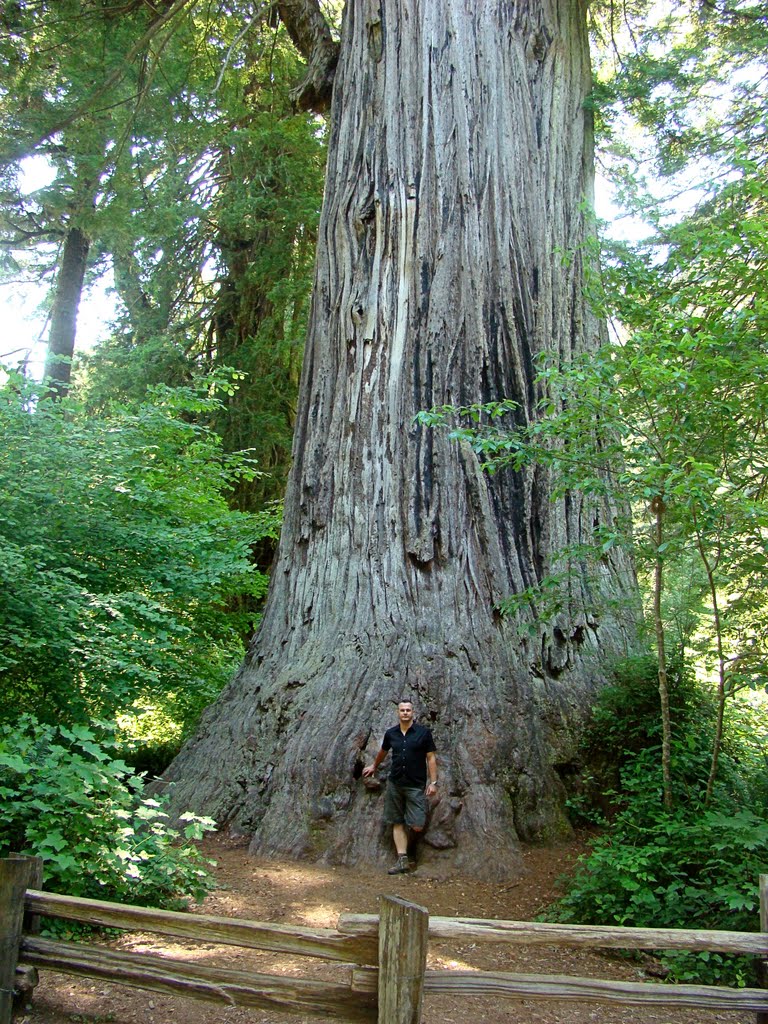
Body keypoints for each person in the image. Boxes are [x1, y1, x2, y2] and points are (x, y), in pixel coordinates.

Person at [362, 699, 438, 874]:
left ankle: (411, 829)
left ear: (413, 713)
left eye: (408, 710)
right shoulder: (391, 734)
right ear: (398, 713)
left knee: (417, 824)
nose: (405, 713)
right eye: (402, 710)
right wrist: (374, 765)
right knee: (396, 821)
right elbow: (383, 751)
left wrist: (433, 782)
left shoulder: (423, 733)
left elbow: (431, 758)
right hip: (395, 783)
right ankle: (402, 859)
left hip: (415, 784)